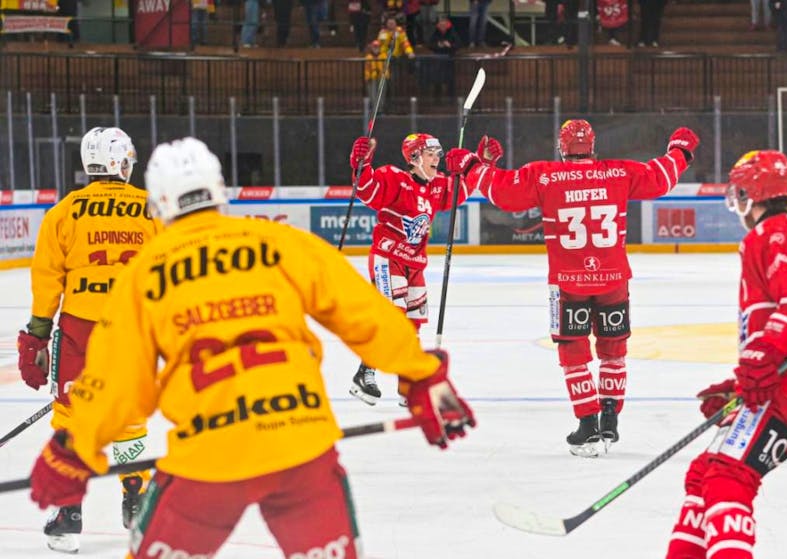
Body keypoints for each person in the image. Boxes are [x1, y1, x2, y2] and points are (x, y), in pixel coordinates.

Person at [26, 137, 476, 559]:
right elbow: (370, 316)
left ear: (160, 203)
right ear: (219, 190)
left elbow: (117, 382)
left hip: (207, 457)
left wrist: (73, 448)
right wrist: (424, 377)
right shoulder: (276, 241)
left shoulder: (146, 275)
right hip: (301, 442)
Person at [445, 120, 698, 457]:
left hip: (568, 282)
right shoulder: (618, 173)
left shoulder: (544, 175)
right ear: (593, 147)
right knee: (614, 349)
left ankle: (588, 424)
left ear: (561, 149)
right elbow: (661, 177)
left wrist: (472, 165)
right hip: (612, 278)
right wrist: (679, 151)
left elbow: (502, 192)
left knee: (573, 353)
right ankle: (610, 418)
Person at [663, 150, 787, 558]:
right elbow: (786, 320)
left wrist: (758, 363)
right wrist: (741, 379)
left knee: (727, 477)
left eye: (740, 190)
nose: (737, 199)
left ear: (753, 192)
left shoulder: (772, 233)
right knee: (705, 473)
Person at [17, 126, 161, 553]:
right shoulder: (152, 208)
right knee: (129, 418)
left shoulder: (63, 212)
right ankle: (136, 497)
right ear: (122, 161)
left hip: (79, 328)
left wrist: (36, 340)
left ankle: (67, 514)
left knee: (70, 418)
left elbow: (47, 285)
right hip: (132, 329)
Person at [347, 132, 471, 405]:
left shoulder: (437, 185)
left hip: (415, 264)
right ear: (414, 158)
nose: (437, 158)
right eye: (430, 154)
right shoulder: (394, 178)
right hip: (388, 257)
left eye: (438, 154)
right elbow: (367, 191)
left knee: (413, 322)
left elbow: (459, 192)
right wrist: (362, 164)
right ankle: (364, 373)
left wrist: (475, 165)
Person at [427, 16, 459, 98]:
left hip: (449, 58)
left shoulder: (452, 32)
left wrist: (450, 45)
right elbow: (430, 44)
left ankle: (451, 97)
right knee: (437, 78)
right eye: (441, 24)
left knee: (450, 79)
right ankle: (437, 97)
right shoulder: (435, 32)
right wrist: (438, 45)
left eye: (444, 24)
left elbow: (458, 44)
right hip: (438, 59)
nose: (442, 26)